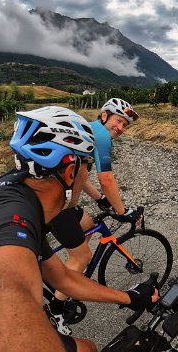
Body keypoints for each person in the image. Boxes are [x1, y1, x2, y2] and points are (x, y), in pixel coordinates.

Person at [0, 106, 157, 352]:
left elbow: (62, 278)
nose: (84, 177)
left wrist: (129, 297)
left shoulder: (20, 199)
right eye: (85, 167)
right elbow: (13, 293)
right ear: (69, 172)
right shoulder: (12, 218)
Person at [45, 98, 142, 335]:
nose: (120, 128)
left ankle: (66, 274)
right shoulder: (100, 135)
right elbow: (107, 178)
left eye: (125, 125)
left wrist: (100, 199)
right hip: (56, 206)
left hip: (65, 205)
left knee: (87, 223)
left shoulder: (87, 130)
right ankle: (55, 311)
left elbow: (82, 175)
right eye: (119, 121)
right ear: (105, 116)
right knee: (83, 254)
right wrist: (123, 211)